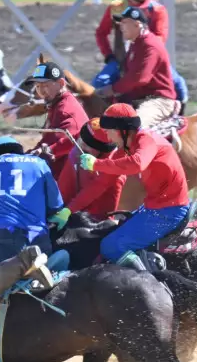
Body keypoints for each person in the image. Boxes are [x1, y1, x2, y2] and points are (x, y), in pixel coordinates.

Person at [78, 103, 190, 272]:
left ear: (121, 130)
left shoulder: (147, 140)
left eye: (108, 131)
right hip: (154, 208)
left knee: (110, 247)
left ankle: (151, 283)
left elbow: (138, 163)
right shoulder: (126, 148)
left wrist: (97, 164)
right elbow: (101, 184)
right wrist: (69, 210)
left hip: (169, 211)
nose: (107, 137)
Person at [0, 136, 70, 314]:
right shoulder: (38, 163)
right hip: (40, 239)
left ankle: (22, 262)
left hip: (6, 240)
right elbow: (56, 205)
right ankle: (38, 266)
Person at [93, 0, 189, 105]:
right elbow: (101, 33)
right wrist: (109, 56)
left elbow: (160, 37)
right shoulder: (116, 8)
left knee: (179, 85)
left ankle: (177, 117)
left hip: (148, 57)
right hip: (120, 59)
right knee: (99, 83)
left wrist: (143, 54)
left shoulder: (157, 9)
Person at [96, 6, 178, 129]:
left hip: (158, 101)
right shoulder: (136, 44)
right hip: (140, 99)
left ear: (137, 24)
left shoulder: (150, 45)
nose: (121, 27)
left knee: (135, 126)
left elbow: (140, 78)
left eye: (124, 23)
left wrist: (113, 89)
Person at [28, 61, 88, 177]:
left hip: (70, 177)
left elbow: (74, 140)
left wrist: (48, 150)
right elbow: (48, 141)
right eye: (38, 86)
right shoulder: (57, 105)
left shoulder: (65, 109)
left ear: (61, 83)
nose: (41, 91)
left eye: (45, 85)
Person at [58, 118, 124, 221]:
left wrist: (70, 212)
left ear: (103, 151)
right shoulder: (79, 148)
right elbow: (73, 139)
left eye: (87, 144)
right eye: (82, 138)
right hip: (71, 207)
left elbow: (102, 214)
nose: (80, 143)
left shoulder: (114, 171)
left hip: (90, 219)